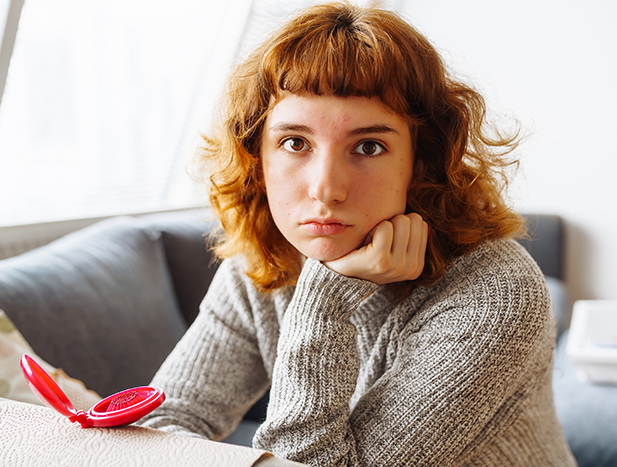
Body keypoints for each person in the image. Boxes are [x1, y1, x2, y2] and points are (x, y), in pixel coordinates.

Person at [139, 2, 577, 466]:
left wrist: (324, 301)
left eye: (368, 146)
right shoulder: (264, 263)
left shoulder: (496, 293)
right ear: (257, 157)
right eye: (295, 143)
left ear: (421, 161)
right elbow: (161, 426)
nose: (326, 188)